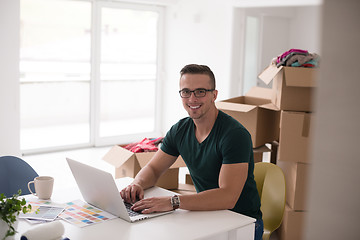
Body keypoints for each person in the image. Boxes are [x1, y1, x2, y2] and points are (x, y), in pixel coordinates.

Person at [120, 64, 263, 240]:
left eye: (200, 91)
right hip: (207, 215)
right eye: (186, 92)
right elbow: (154, 169)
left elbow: (228, 196)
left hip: (243, 222)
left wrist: (173, 202)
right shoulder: (180, 130)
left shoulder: (234, 135)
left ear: (214, 95)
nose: (192, 99)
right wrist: (138, 184)